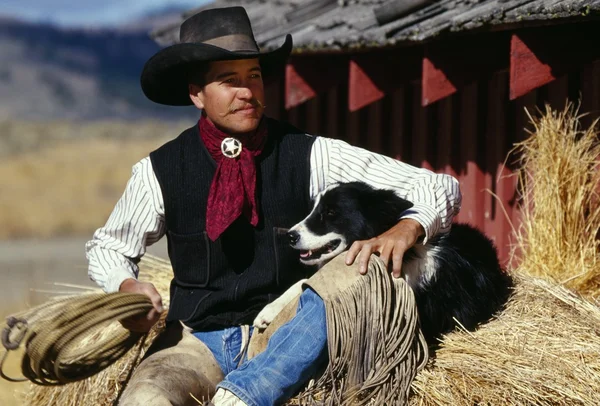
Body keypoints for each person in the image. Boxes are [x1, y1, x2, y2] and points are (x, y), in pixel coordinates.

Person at [85, 6, 462, 406]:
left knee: (356, 269)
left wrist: (407, 228)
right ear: (197, 94)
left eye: (255, 77)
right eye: (229, 81)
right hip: (195, 342)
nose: (247, 92)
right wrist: (127, 286)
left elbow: (438, 186)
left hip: (290, 331)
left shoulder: (312, 154)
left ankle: (243, 397)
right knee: (144, 401)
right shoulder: (159, 170)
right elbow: (109, 247)